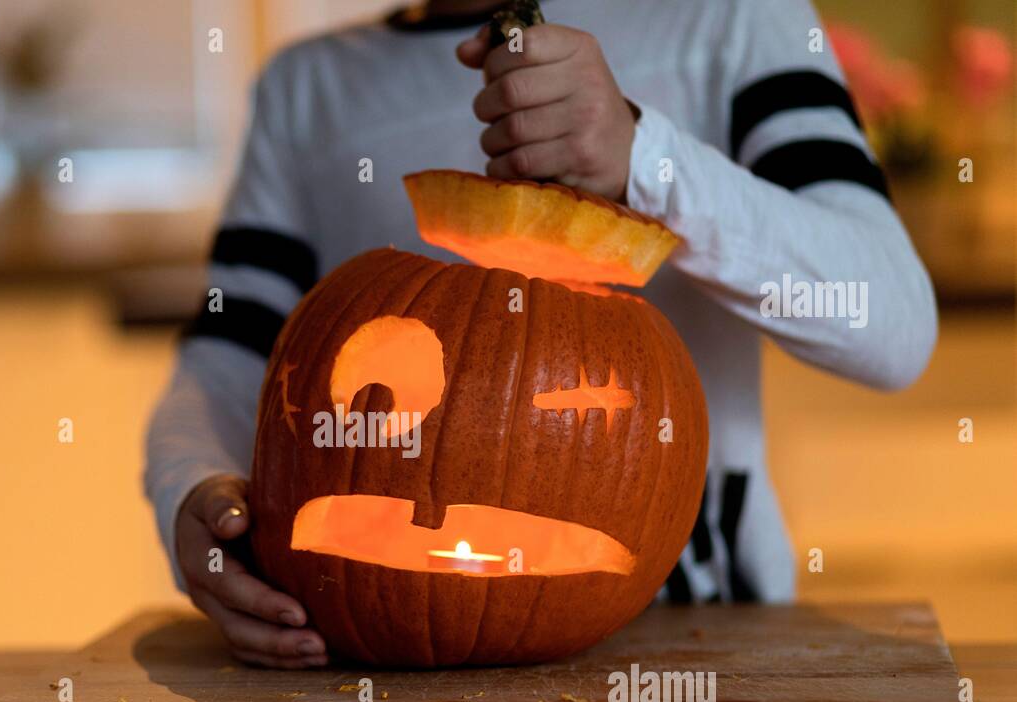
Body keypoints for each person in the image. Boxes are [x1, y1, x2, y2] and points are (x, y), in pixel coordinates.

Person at [144, 0, 937, 668]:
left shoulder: (731, 17)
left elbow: (893, 323)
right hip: (375, 665)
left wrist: (644, 158)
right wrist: (193, 490)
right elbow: (228, 356)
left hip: (700, 653)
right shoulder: (306, 90)